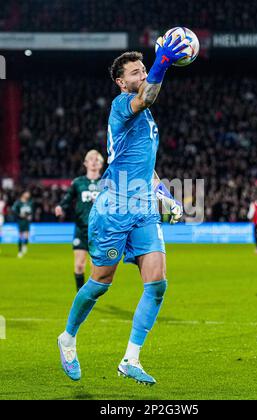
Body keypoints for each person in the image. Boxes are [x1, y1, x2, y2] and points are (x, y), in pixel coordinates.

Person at [58, 37, 186, 385]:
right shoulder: (122, 105)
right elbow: (147, 95)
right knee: (101, 282)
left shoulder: (146, 118)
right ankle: (68, 338)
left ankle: (131, 358)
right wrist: (162, 63)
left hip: (143, 206)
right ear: (121, 81)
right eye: (135, 71)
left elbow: (147, 167)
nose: (142, 74)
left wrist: (166, 196)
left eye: (145, 69)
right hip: (114, 207)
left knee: (157, 284)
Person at [55, 150, 104, 291]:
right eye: (91, 159)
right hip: (81, 228)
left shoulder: (106, 183)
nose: (94, 162)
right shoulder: (78, 182)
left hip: (99, 230)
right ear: (85, 163)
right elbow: (68, 198)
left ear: (101, 164)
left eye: (97, 160)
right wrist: (60, 206)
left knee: (95, 267)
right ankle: (80, 295)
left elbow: (113, 204)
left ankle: (91, 295)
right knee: (79, 265)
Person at [12, 191, 33, 258]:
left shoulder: (29, 202)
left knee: (27, 236)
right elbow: (13, 210)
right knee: (20, 236)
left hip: (27, 221)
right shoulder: (18, 202)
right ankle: (20, 252)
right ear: (23, 194)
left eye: (29, 194)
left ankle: (25, 245)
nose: (28, 195)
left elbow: (31, 211)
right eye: (27, 194)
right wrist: (19, 215)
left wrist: (30, 216)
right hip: (20, 221)